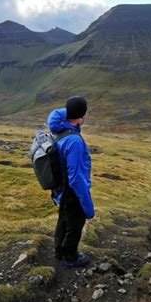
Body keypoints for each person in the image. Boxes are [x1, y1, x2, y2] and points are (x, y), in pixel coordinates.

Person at [47, 96, 95, 268]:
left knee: (63, 220)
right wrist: (88, 206)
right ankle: (70, 257)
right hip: (71, 192)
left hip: (61, 189)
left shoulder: (60, 130)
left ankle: (59, 251)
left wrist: (69, 110)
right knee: (75, 225)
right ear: (81, 117)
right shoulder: (74, 141)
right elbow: (76, 178)